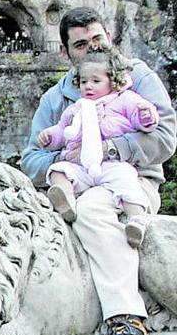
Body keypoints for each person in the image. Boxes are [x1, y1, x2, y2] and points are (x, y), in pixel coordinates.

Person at [23, 7, 177, 335]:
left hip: (131, 181)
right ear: (65, 53)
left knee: (93, 208)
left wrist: (109, 150)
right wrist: (70, 160)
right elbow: (30, 158)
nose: (92, 48)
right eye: (81, 45)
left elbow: (166, 136)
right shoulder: (55, 99)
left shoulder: (136, 77)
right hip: (73, 184)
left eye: (97, 39)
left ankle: (128, 322)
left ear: (108, 35)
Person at [36, 46, 159, 247]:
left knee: (127, 182)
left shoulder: (124, 99)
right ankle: (66, 199)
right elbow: (62, 129)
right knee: (58, 170)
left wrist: (146, 116)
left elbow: (141, 120)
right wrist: (50, 136)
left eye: (95, 81)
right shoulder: (77, 107)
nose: (88, 86)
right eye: (83, 82)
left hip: (111, 163)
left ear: (113, 80)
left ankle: (137, 220)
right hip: (82, 166)